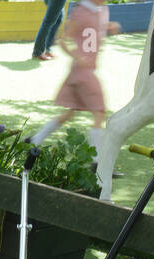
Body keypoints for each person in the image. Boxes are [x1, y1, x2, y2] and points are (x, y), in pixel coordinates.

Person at [27, 0, 120, 151]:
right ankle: (96, 160)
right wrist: (77, 56)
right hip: (84, 72)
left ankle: (36, 139)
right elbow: (63, 40)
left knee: (69, 113)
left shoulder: (101, 10)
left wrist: (109, 26)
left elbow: (95, 29)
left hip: (77, 72)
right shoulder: (81, 12)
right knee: (99, 112)